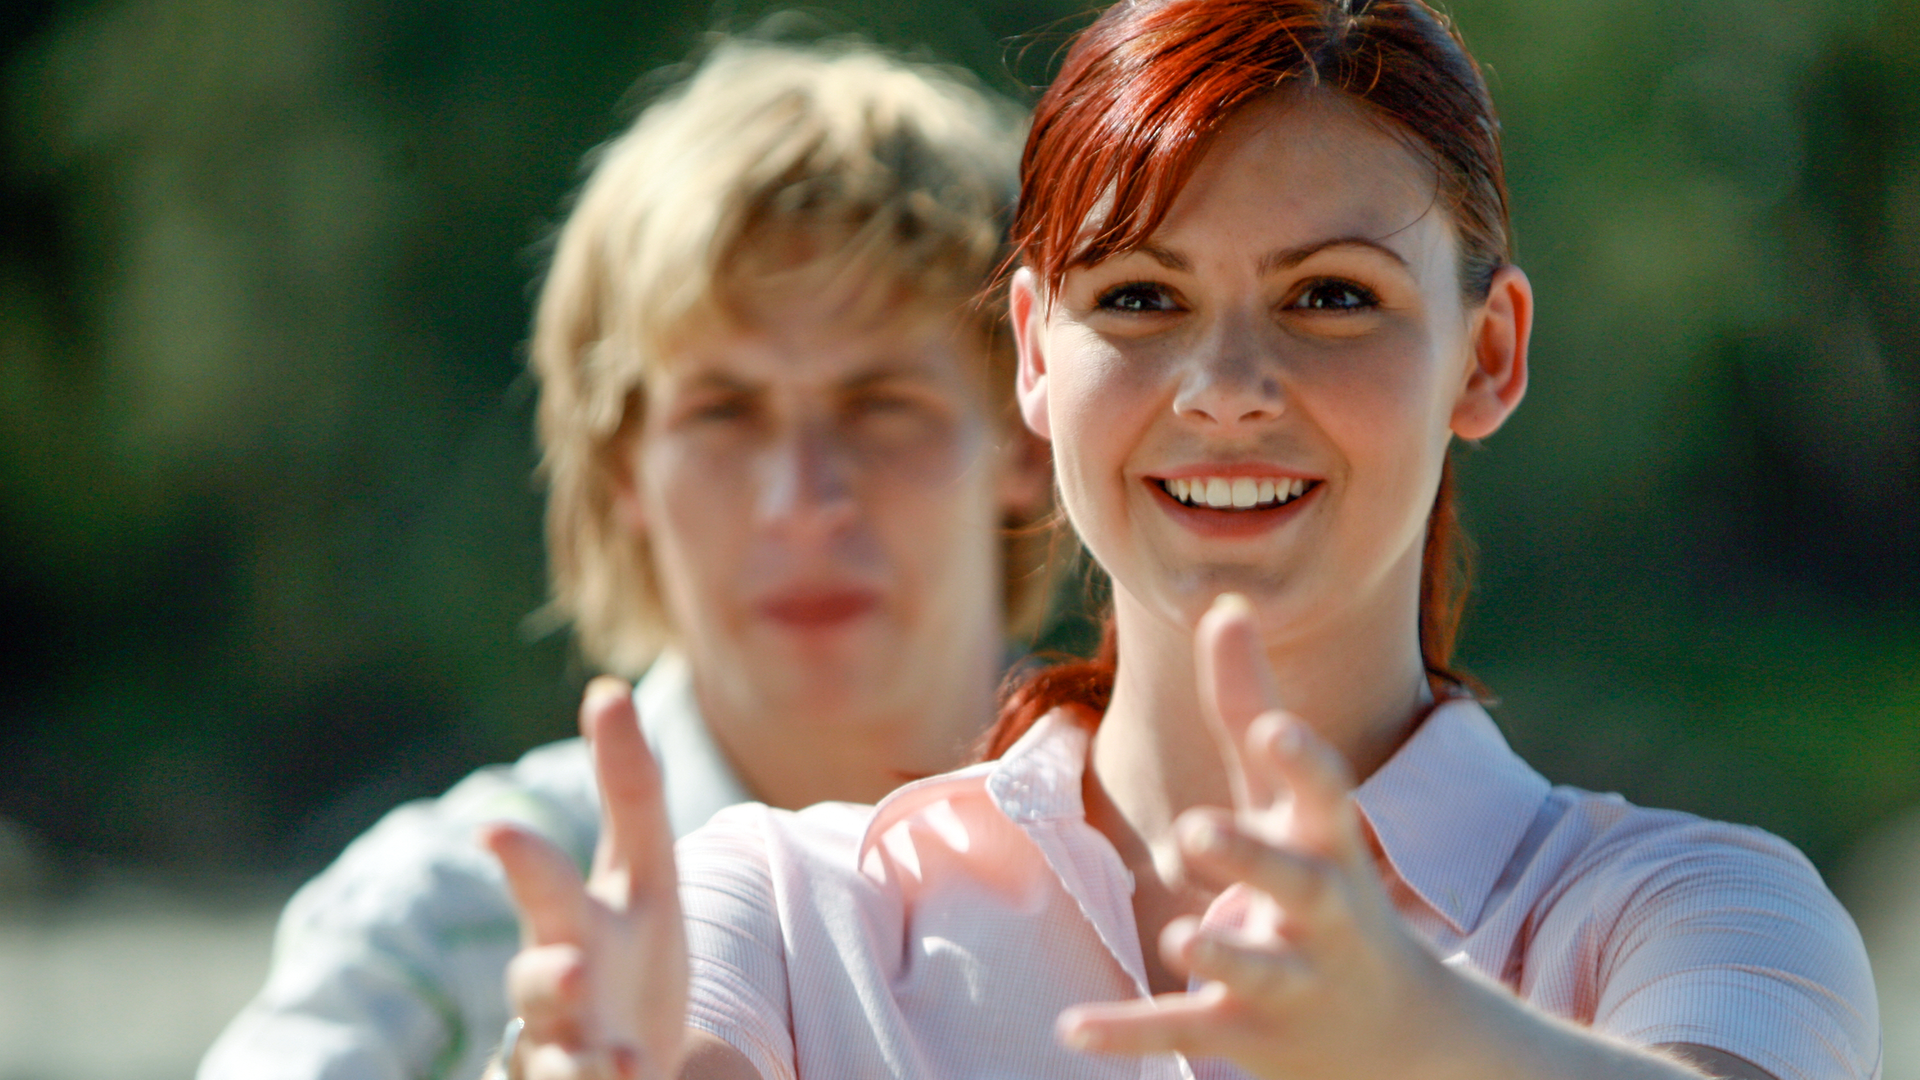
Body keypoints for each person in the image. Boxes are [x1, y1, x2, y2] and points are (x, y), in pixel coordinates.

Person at [487, 1, 1882, 1078]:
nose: (1225, 389)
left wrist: (1420, 1035)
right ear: (1033, 356)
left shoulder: (1691, 915)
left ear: (1490, 353)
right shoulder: (785, 916)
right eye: (1141, 298)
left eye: (1331, 296)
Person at [199, 39, 1048, 1080]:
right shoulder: (436, 930)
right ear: (621, 471)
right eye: (723, 413)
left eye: (883, 405)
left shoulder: (1187, 886)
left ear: (1028, 438)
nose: (803, 504)